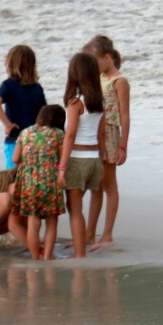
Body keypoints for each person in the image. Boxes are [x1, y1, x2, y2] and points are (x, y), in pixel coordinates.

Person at [83, 36, 131, 251]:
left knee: (109, 186)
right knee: (95, 185)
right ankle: (89, 234)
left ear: (108, 57)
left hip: (110, 134)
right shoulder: (99, 78)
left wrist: (123, 146)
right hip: (95, 134)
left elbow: (125, 115)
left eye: (95, 62)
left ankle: (107, 234)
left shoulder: (119, 81)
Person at [58, 53, 105, 258]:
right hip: (94, 159)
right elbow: (101, 134)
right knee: (76, 206)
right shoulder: (98, 101)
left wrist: (61, 167)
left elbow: (70, 135)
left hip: (77, 159)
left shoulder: (75, 102)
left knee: (74, 209)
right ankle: (82, 242)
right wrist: (101, 162)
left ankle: (79, 254)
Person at [10, 104, 67, 260]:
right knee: (51, 221)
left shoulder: (25, 133)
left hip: (28, 182)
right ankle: (47, 257)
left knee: (33, 222)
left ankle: (35, 257)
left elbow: (14, 159)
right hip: (50, 181)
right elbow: (63, 159)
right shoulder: (58, 134)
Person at [0, 45, 47, 169]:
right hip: (34, 141)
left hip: (15, 138)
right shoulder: (37, 88)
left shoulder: (8, 85)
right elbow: (44, 115)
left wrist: (7, 125)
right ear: (33, 66)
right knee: (32, 176)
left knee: (13, 177)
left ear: (10, 64)